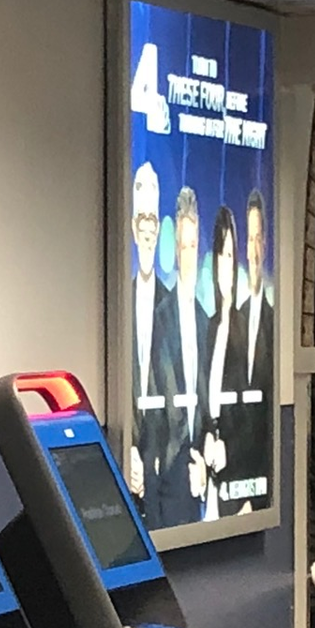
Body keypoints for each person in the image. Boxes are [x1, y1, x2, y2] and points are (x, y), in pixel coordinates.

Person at [124, 162, 180, 524]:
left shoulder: (174, 309)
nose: (147, 230)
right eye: (142, 220)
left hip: (166, 471)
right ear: (132, 226)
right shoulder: (117, 304)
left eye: (153, 222)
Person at [153, 187, 212, 529]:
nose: (187, 256)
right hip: (170, 464)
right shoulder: (161, 317)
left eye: (193, 247)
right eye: (182, 247)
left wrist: (204, 453)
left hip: (201, 465)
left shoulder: (207, 321)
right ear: (173, 251)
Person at [218, 188, 274, 515]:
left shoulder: (274, 323)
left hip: (261, 490)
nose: (252, 251)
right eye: (248, 241)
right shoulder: (228, 323)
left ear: (265, 245)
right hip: (229, 484)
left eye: (258, 239)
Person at [200, 204, 242, 518]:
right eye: (219, 256)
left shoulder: (249, 334)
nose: (224, 265)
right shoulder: (208, 327)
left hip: (235, 488)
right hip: (206, 482)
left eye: (229, 256)